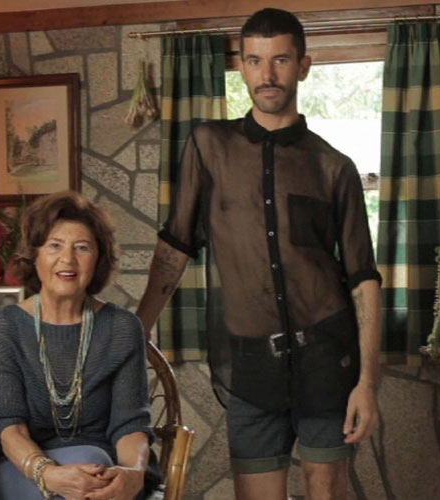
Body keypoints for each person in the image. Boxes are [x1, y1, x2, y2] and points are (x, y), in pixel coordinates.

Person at [136, 8, 381, 500]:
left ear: (304, 66)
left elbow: (363, 279)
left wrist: (367, 384)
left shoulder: (334, 167)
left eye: (281, 60)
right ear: (242, 67)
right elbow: (176, 245)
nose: (267, 75)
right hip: (250, 366)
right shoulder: (208, 145)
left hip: (326, 357)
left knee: (324, 493)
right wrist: (136, 330)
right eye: (255, 60)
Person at [0, 191, 160, 500]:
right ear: (34, 255)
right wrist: (49, 474)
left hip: (104, 469)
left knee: (95, 472)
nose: (68, 259)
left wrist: (132, 474)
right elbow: (10, 429)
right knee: (86, 477)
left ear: (98, 259)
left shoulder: (121, 327)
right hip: (24, 469)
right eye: (54, 245)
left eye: (82, 247)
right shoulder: (3, 328)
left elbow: (130, 426)